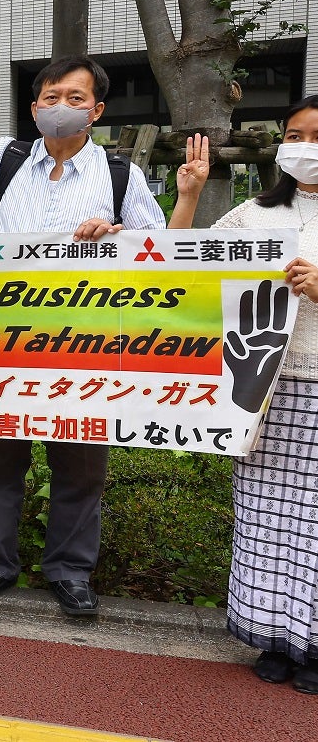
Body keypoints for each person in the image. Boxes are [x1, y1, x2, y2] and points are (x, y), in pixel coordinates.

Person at [0, 4, 166, 617]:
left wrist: (117, 237)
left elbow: (159, 257)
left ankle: (70, 571)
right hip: (0, 342)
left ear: (96, 110)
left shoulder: (121, 176)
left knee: (80, 467)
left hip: (85, 345)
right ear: (34, 108)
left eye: (75, 97)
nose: (61, 105)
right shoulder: (3, 161)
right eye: (51, 96)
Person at [173, 101, 318, 694]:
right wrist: (187, 197)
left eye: (316, 136)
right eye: (294, 135)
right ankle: (275, 637)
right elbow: (177, 271)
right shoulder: (254, 215)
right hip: (262, 389)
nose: (303, 146)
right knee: (265, 517)